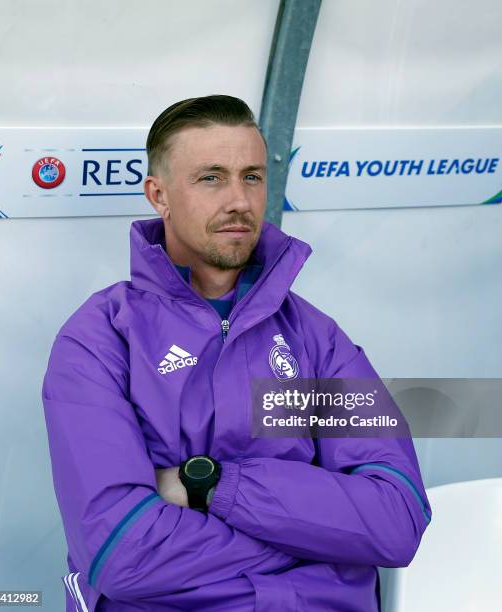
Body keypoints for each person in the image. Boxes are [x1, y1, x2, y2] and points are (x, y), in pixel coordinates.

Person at [42, 95, 432, 612]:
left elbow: (397, 519)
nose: (240, 201)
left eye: (252, 176)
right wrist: (320, 539)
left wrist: (211, 487)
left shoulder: (315, 338)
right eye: (211, 178)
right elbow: (123, 551)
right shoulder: (102, 338)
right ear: (158, 196)